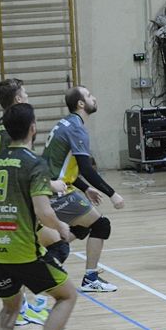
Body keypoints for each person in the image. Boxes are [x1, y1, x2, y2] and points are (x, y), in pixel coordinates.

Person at [0, 103, 77, 330]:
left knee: (10, 307)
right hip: (24, 252)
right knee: (67, 295)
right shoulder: (34, 164)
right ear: (33, 128)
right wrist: (62, 227)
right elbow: (44, 212)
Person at [0, 79, 69, 327]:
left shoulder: (0, 127)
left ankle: (23, 302)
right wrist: (50, 185)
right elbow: (18, 170)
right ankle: (26, 304)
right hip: (16, 208)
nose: (27, 95)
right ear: (18, 99)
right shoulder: (15, 134)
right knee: (58, 245)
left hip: (3, 206)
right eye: (25, 92)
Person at [43, 86, 125, 292]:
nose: (94, 98)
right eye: (89, 96)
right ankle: (89, 278)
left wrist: (85, 188)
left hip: (52, 187)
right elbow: (87, 168)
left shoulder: (66, 123)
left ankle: (49, 255)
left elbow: (65, 166)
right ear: (81, 104)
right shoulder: (76, 128)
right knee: (101, 225)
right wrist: (112, 194)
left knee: (83, 226)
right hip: (56, 192)